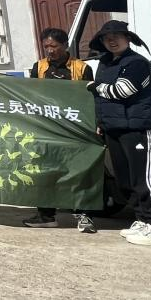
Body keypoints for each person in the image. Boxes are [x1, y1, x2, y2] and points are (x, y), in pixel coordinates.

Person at [86, 21, 151, 247]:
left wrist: (96, 87)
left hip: (137, 129)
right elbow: (102, 101)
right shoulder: (105, 63)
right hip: (113, 129)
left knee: (145, 179)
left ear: (128, 38)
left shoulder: (137, 63)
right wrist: (101, 122)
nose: (111, 40)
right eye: (106, 38)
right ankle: (142, 221)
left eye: (116, 36)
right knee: (126, 180)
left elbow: (123, 90)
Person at [24, 27, 96, 232]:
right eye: (46, 46)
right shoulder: (39, 67)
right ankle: (46, 215)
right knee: (45, 172)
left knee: (79, 173)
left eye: (54, 46)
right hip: (47, 130)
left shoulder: (81, 68)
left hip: (74, 129)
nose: (50, 50)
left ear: (65, 45)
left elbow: (90, 99)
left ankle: (85, 216)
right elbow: (31, 96)